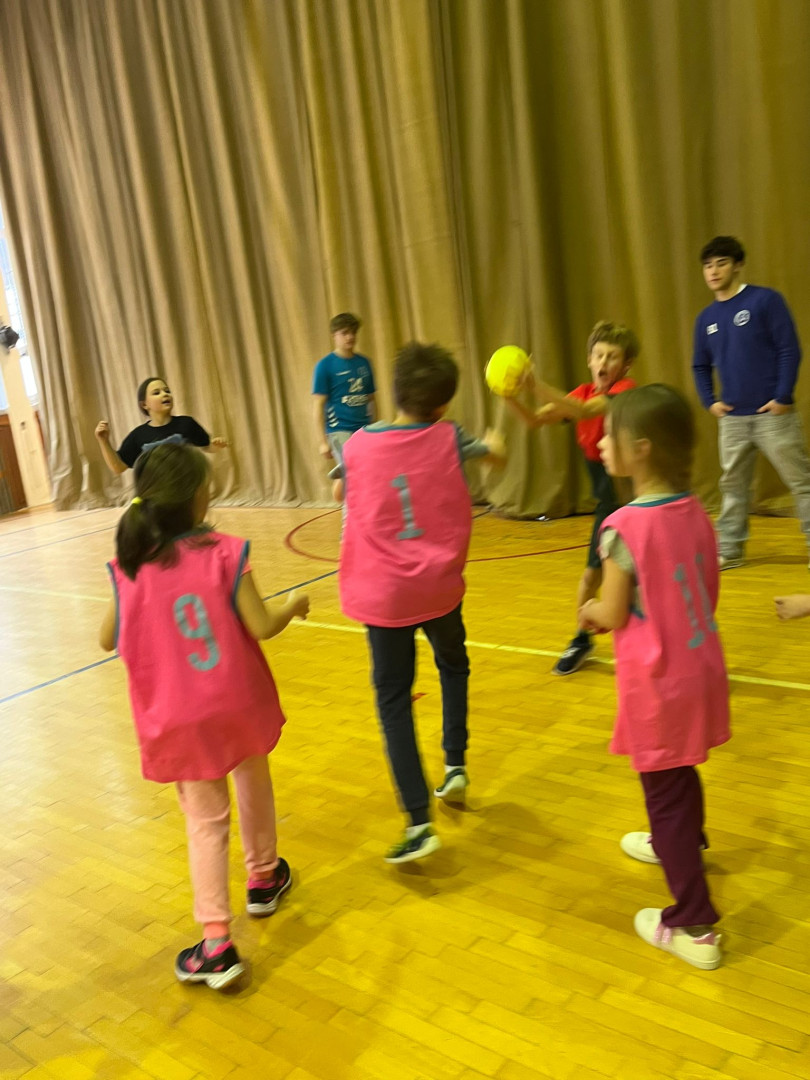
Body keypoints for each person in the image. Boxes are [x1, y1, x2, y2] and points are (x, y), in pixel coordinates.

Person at [99, 441, 309, 989]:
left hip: (179, 716)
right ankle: (263, 877)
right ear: (197, 497)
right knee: (253, 778)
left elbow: (106, 638)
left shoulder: (130, 566)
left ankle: (216, 942)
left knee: (206, 821)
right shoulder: (225, 551)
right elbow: (261, 625)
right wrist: (292, 606)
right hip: (235, 701)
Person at [333, 342, 506, 863]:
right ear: (443, 404)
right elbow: (493, 456)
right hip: (439, 588)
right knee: (453, 665)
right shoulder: (450, 436)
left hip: (385, 597)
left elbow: (341, 489)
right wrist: (495, 443)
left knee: (393, 701)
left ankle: (418, 821)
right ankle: (455, 765)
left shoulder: (358, 445)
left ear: (394, 391)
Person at [579, 384, 730, 970]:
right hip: (701, 667)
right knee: (680, 772)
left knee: (663, 792)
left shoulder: (623, 526)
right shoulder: (695, 510)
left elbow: (614, 612)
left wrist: (589, 610)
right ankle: (685, 842)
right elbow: (706, 591)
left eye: (610, 435)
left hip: (659, 683)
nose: (601, 443)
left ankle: (693, 924)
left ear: (640, 449)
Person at [506, 321, 638, 675]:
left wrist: (534, 384)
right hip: (608, 506)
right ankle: (581, 639)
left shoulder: (624, 391)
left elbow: (583, 412)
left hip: (638, 505)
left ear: (625, 365)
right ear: (589, 360)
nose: (604, 362)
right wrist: (508, 394)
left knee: (644, 580)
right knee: (590, 577)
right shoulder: (581, 393)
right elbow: (535, 420)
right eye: (599, 355)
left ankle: (655, 640)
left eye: (612, 356)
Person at [693, 236, 810, 569]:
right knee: (732, 487)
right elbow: (700, 364)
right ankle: (730, 549)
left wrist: (783, 396)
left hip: (773, 415)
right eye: (708, 265)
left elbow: (789, 349)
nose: (714, 271)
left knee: (801, 481)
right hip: (732, 419)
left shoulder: (765, 301)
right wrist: (710, 401)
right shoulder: (706, 318)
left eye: (721, 263)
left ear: (738, 265)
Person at [95, 377, 228, 475]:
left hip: (187, 489)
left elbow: (206, 446)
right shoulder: (138, 435)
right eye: (156, 393)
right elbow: (118, 467)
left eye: (167, 391)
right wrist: (103, 441)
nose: (165, 394)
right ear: (144, 405)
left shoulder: (187, 423)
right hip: (156, 495)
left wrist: (215, 445)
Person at [312, 313, 376, 467]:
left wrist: (373, 428)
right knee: (350, 472)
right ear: (334, 335)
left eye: (353, 332)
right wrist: (322, 442)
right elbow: (318, 405)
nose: (350, 337)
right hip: (339, 430)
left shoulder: (364, 363)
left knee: (366, 470)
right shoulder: (325, 366)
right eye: (345, 333)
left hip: (364, 429)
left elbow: (371, 400)